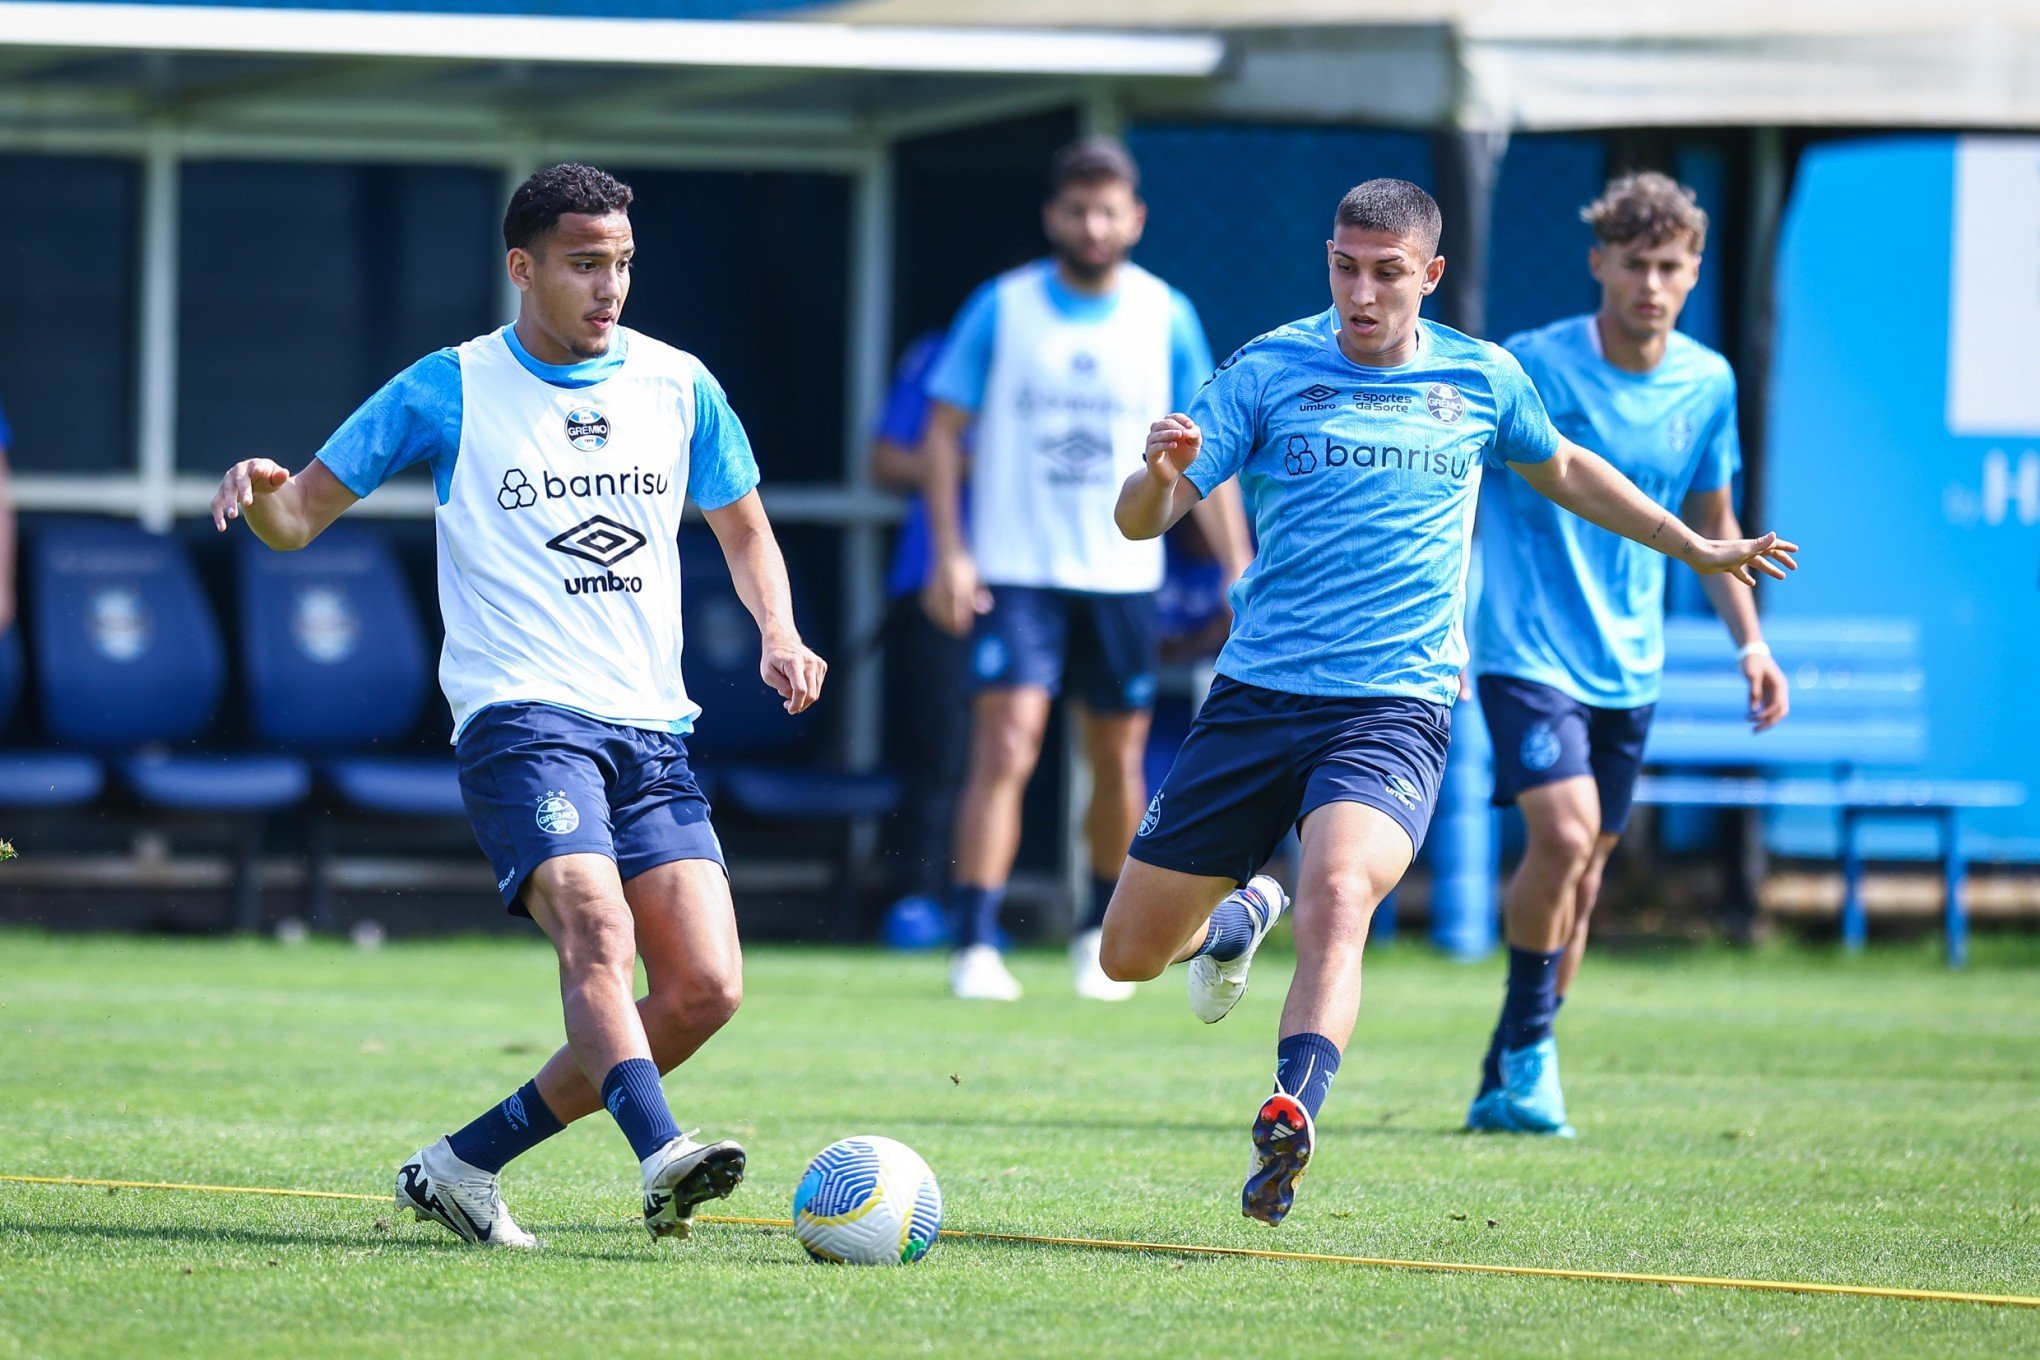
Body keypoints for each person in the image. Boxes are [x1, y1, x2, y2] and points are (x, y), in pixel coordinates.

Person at [1101, 178, 1796, 1227]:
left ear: (1428, 275)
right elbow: (1139, 521)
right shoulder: (1268, 367)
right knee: (1129, 955)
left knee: (1342, 894)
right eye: (1346, 267)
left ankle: (1294, 1107)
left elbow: (1566, 466)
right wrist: (1158, 477)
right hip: (1254, 699)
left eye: (1387, 274)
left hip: (1394, 709)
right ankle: (1239, 920)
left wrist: (1696, 545)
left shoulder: (1481, 378)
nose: (1362, 294)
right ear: (1327, 260)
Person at [210, 164, 826, 1249]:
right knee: (596, 928)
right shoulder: (446, 388)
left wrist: (778, 629)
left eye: (624, 263)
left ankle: (463, 1162)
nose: (610, 286)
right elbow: (299, 517)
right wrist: (261, 490)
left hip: (652, 728)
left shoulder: (681, 384)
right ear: (522, 267)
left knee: (704, 990)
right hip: (522, 719)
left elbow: (743, 529)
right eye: (586, 263)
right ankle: (662, 1155)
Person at [1465, 172, 1789, 1137]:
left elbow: (1714, 524)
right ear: (1599, 263)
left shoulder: (1707, 381)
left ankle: (1517, 1061)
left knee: (1587, 874)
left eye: (1671, 267)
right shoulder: (1532, 366)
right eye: (1635, 264)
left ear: (1693, 275)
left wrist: (1751, 645)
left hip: (1629, 663)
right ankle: (1528, 1059)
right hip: (1525, 648)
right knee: (1561, 842)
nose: (1651, 283)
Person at [920, 136, 1252, 1003]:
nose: (1094, 225)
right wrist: (951, 552)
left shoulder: (1166, 313)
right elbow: (941, 435)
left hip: (1122, 575)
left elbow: (1201, 454)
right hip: (1016, 570)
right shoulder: (1002, 306)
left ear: (1135, 218)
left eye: (1109, 210)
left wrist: (1238, 567)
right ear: (1053, 218)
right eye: (1078, 209)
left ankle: (1092, 934)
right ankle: (975, 941)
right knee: (1008, 746)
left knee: (1119, 760)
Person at [868, 330, 972, 937]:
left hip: (1032, 581)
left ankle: (979, 903)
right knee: (935, 747)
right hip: (933, 578)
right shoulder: (938, 353)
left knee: (1007, 751)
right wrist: (975, 460)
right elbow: (884, 459)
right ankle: (915, 897)